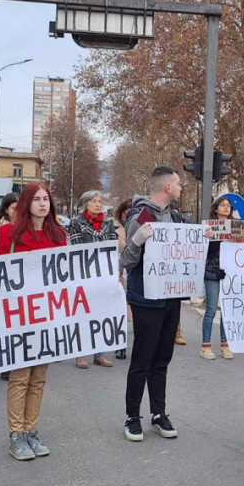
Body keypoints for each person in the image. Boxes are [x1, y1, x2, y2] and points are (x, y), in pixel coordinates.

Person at [0, 182, 67, 461]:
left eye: (46, 199)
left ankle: (31, 430)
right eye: (36, 199)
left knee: (39, 378)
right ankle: (16, 434)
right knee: (20, 377)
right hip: (19, 315)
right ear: (26, 203)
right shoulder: (8, 233)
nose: (42, 204)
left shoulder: (59, 234)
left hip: (48, 314)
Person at [121, 166, 187, 442]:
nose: (182, 188)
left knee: (163, 358)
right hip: (147, 300)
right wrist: (137, 240)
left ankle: (158, 413)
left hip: (170, 298)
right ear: (167, 188)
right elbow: (127, 260)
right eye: (179, 184)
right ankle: (132, 417)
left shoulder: (176, 217)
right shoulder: (140, 216)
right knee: (142, 359)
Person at [68, 190, 117, 369]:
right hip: (84, 274)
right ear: (84, 204)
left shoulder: (107, 223)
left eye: (100, 201)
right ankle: (80, 354)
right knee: (83, 314)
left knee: (101, 315)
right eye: (94, 201)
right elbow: (76, 248)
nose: (98, 204)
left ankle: (100, 353)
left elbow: (112, 247)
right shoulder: (76, 223)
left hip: (103, 275)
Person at [200, 196, 235, 361]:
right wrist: (209, 238)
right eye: (223, 205)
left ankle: (225, 344)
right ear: (216, 209)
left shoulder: (235, 228)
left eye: (228, 206)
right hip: (212, 272)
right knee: (212, 309)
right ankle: (205, 345)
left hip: (229, 273)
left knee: (227, 311)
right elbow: (203, 251)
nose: (226, 208)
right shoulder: (208, 228)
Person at [113, 198, 133, 360]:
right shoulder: (113, 227)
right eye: (129, 209)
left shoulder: (140, 225)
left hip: (133, 270)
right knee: (119, 309)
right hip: (117, 270)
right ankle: (120, 345)